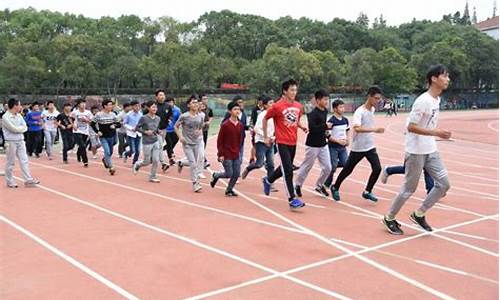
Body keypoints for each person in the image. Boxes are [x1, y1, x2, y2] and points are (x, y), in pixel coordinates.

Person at [383, 64, 452, 235]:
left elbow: (427, 124)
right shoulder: (423, 101)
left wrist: (435, 134)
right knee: (409, 189)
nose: (448, 79)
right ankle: (389, 217)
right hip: (415, 151)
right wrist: (435, 132)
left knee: (444, 185)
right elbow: (411, 127)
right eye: (444, 76)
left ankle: (419, 213)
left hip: (431, 149)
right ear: (434, 79)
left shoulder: (437, 100)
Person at [331, 86, 385, 202]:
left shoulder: (372, 110)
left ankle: (367, 191)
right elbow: (357, 128)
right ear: (369, 97)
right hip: (358, 148)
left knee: (377, 168)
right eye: (376, 98)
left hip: (369, 146)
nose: (378, 101)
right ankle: (335, 186)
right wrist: (374, 130)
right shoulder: (359, 112)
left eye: (379, 99)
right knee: (348, 169)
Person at [262, 79, 308, 209]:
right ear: (285, 91)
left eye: (295, 90)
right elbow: (265, 119)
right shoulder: (277, 106)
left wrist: (302, 127)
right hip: (281, 141)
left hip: (293, 142)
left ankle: (268, 180)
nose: (294, 92)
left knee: (284, 168)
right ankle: (292, 199)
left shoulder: (299, 106)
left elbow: (295, 120)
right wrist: (266, 136)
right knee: (288, 170)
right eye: (292, 90)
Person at [294, 89, 332, 197]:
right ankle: (297, 185)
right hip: (312, 145)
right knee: (307, 166)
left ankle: (319, 185)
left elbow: (323, 127)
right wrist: (325, 126)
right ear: (318, 100)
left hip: (323, 144)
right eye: (325, 99)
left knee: (328, 167)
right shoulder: (312, 114)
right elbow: (313, 128)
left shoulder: (324, 111)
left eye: (327, 100)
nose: (326, 102)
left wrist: (327, 132)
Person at [2, 98, 40, 188]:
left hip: (20, 140)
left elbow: (25, 126)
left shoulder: (19, 115)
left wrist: (20, 129)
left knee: (24, 160)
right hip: (10, 142)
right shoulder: (5, 117)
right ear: (15, 106)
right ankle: (9, 181)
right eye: (19, 105)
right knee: (10, 162)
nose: (21, 106)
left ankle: (28, 180)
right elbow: (13, 129)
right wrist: (20, 129)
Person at [241, 95, 275, 190]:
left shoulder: (274, 115)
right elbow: (256, 128)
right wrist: (266, 137)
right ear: (265, 105)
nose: (273, 104)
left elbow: (275, 129)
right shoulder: (262, 115)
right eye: (270, 103)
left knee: (271, 164)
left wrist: (273, 137)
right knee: (259, 164)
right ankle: (248, 168)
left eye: (273, 102)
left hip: (271, 142)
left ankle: (270, 183)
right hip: (261, 142)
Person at [210, 101, 243, 196]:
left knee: (236, 173)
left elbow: (240, 139)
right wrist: (220, 154)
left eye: (238, 109)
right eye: (235, 109)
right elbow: (220, 141)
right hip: (226, 153)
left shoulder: (240, 125)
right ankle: (216, 175)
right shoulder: (225, 125)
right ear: (229, 111)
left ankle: (229, 189)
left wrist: (239, 150)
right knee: (229, 173)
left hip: (236, 153)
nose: (237, 111)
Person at [175, 96, 205, 192]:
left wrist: (199, 131)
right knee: (193, 164)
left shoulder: (200, 116)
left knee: (194, 162)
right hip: (187, 143)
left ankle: (181, 163)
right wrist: (181, 137)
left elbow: (201, 127)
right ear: (188, 105)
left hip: (196, 142)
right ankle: (195, 183)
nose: (195, 104)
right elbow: (176, 126)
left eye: (196, 102)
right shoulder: (184, 116)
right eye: (193, 102)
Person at [324, 99, 350, 190]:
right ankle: (326, 184)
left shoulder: (345, 120)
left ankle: (331, 164)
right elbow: (327, 135)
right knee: (333, 167)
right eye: (341, 107)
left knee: (345, 163)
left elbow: (347, 130)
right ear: (335, 109)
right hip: (333, 147)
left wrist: (347, 139)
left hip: (343, 147)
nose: (343, 109)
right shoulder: (331, 121)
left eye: (343, 107)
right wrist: (338, 141)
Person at [90, 99, 121, 175]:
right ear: (105, 106)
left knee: (110, 152)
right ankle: (111, 167)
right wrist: (97, 132)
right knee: (107, 151)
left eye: (111, 105)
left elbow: (119, 124)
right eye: (109, 105)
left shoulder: (113, 114)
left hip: (112, 136)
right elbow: (92, 124)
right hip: (103, 136)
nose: (111, 106)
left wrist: (115, 125)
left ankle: (105, 159)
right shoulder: (98, 115)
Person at [133, 101, 161, 183]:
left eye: (155, 107)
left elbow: (155, 129)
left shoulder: (158, 118)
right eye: (153, 107)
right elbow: (137, 128)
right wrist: (145, 132)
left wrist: (158, 131)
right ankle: (138, 164)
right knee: (147, 161)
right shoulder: (144, 118)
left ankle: (152, 176)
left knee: (156, 160)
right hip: (147, 142)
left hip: (155, 140)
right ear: (148, 108)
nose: (154, 109)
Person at [71, 99, 93, 167]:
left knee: (82, 146)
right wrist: (73, 125)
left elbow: (92, 121)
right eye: (82, 103)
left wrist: (87, 120)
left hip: (85, 131)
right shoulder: (75, 112)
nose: (83, 105)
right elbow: (70, 119)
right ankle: (85, 161)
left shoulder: (88, 112)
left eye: (84, 103)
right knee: (83, 146)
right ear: (78, 105)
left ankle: (78, 153)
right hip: (77, 131)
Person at [154, 89, 171, 173]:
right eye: (160, 95)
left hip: (164, 129)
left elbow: (169, 116)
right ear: (156, 97)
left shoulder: (167, 106)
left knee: (159, 146)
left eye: (163, 95)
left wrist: (169, 120)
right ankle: (163, 163)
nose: (162, 96)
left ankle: (156, 159)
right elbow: (145, 115)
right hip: (155, 130)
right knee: (160, 146)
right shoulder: (153, 106)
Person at [123, 100, 143, 165]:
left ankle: (134, 163)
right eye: (135, 106)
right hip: (130, 134)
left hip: (138, 134)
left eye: (138, 106)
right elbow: (124, 124)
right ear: (132, 107)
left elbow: (142, 123)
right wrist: (131, 128)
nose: (137, 107)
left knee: (138, 151)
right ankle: (126, 153)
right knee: (133, 150)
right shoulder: (128, 115)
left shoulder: (140, 114)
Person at [164, 96, 181, 166]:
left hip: (174, 129)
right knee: (169, 142)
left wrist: (177, 127)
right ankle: (171, 158)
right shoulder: (165, 109)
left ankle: (166, 148)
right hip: (166, 129)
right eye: (168, 102)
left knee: (176, 140)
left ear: (173, 102)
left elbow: (179, 119)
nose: (170, 104)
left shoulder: (177, 110)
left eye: (171, 102)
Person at [200, 94, 214, 168]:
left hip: (205, 129)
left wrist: (209, 122)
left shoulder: (209, 109)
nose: (205, 100)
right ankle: (204, 161)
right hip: (198, 130)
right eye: (204, 99)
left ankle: (201, 160)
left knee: (204, 145)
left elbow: (211, 116)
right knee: (200, 145)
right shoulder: (198, 108)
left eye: (206, 99)